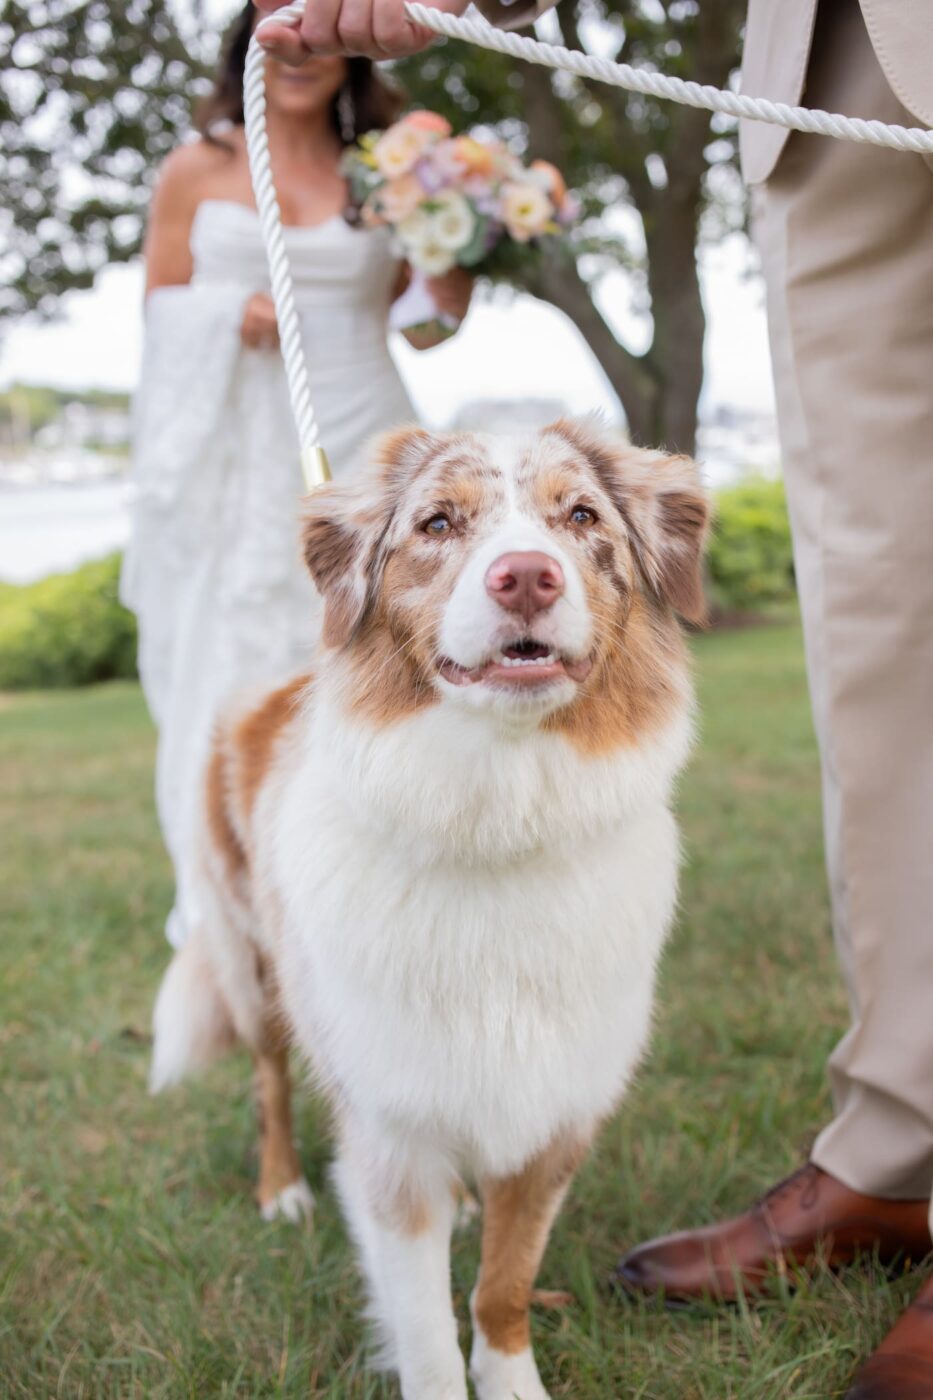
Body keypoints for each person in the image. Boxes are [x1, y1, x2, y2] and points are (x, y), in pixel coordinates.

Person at [253, 0, 933, 1393]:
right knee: (884, 613)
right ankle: (900, 1142)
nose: (521, 567)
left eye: (570, 529)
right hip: (831, 61)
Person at [121, 3, 472, 952]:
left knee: (384, 642)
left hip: (370, 425)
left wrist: (451, 284)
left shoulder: (384, 173)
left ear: (350, 48)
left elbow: (426, 327)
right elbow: (157, 303)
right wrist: (220, 314)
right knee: (246, 644)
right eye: (284, 20)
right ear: (251, 41)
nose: (302, 52)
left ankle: (392, 868)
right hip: (250, 440)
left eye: (323, 25)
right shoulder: (201, 167)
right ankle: (242, 888)